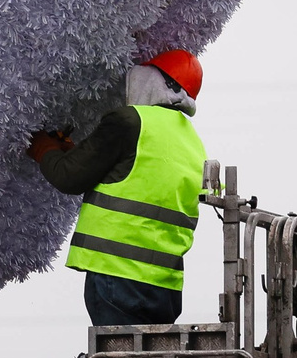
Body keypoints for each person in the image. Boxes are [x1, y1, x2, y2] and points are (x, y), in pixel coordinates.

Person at [29, 49, 207, 327]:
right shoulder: (193, 144)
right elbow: (135, 179)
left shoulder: (129, 121)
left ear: (152, 81)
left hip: (117, 278)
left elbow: (68, 176)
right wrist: (77, 153)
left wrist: (44, 148)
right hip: (165, 289)